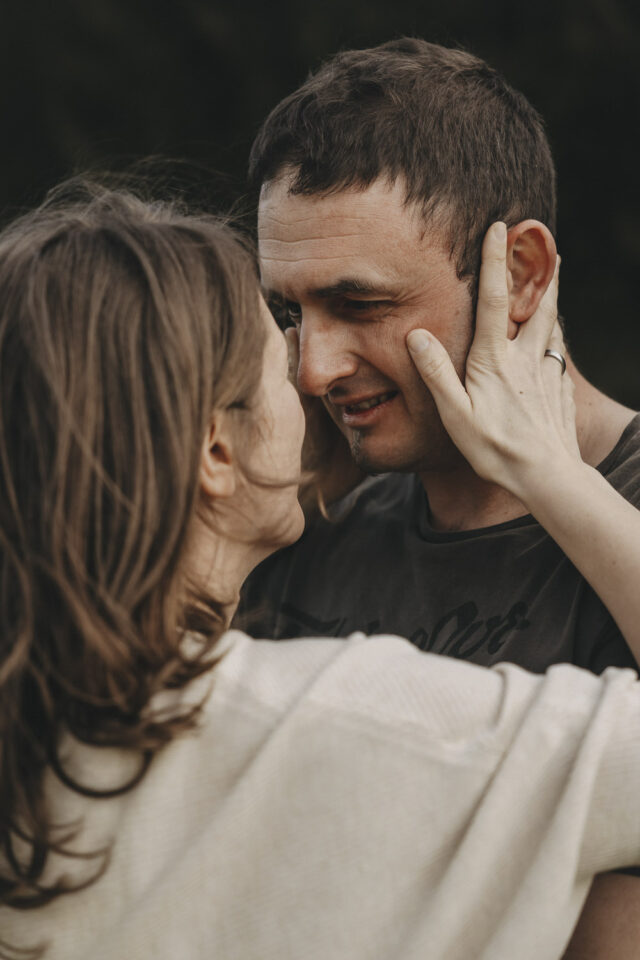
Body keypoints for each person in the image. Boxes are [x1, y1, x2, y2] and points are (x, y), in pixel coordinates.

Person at [0, 180, 639, 960]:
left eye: (358, 306)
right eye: (281, 349)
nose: (313, 377)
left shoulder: (34, 724)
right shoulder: (338, 723)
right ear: (213, 449)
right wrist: (556, 474)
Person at [242, 37, 640, 678]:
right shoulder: (316, 520)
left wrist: (552, 481)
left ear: (519, 274)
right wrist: (264, 510)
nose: (313, 373)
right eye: (292, 313)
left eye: (361, 304)